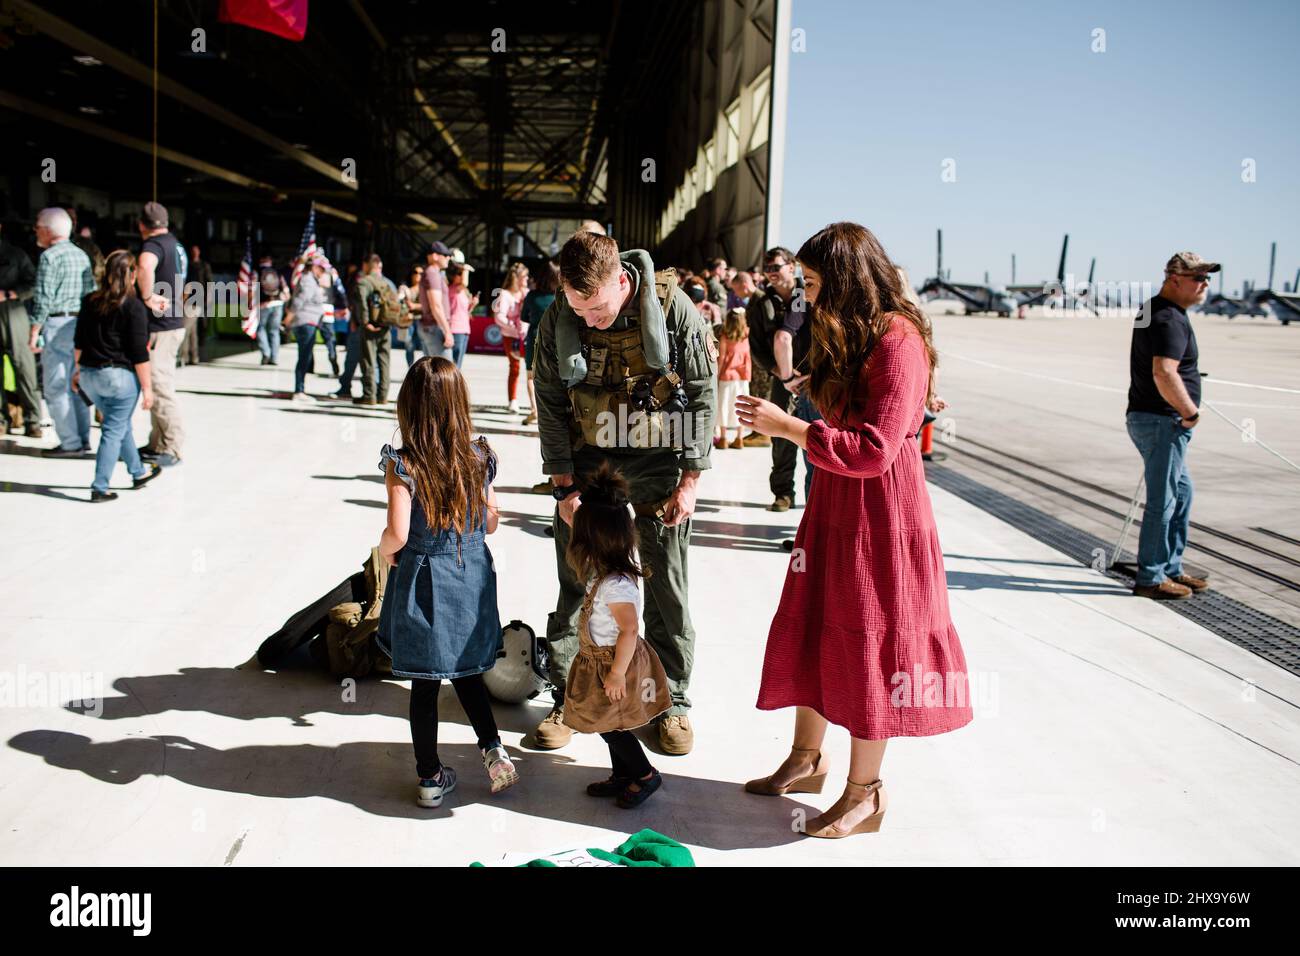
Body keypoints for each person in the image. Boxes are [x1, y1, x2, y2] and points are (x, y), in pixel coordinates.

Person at [737, 221, 974, 838]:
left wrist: (788, 428)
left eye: (812, 283)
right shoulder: (853, 332)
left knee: (873, 640)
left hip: (880, 518)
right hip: (835, 503)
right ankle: (806, 760)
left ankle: (865, 793)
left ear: (844, 278)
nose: (806, 296)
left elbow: (874, 449)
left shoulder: (897, 340)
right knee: (819, 625)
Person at [532, 229, 717, 755]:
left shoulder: (674, 309)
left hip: (660, 457)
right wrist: (562, 486)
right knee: (576, 579)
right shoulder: (559, 318)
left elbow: (702, 392)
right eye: (578, 309)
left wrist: (691, 479)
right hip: (590, 458)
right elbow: (548, 396)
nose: (589, 320)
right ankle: (568, 695)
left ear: (622, 279)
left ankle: (672, 699)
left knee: (665, 584)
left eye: (597, 308)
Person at [376, 355, 519, 808]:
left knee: (424, 684)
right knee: (467, 672)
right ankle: (493, 750)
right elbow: (493, 522)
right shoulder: (479, 455)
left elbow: (398, 532)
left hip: (424, 580)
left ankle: (430, 778)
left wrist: (385, 551)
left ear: (409, 406)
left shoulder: (403, 464)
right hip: (470, 575)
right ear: (459, 404)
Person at [561, 462, 672, 808]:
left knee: (613, 725)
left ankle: (644, 774)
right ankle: (623, 774)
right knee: (608, 722)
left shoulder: (617, 585)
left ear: (595, 541)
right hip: (602, 661)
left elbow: (629, 629)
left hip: (614, 664)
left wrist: (617, 673)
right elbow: (588, 520)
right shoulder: (607, 567)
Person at [1125, 251, 1217, 601]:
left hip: (1152, 418)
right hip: (1163, 420)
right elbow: (1164, 371)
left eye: (1207, 278)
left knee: (1181, 493)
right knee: (1163, 500)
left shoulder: (1154, 309)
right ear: (1174, 279)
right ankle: (1150, 577)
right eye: (1198, 278)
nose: (1204, 284)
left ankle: (1170, 567)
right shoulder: (1168, 318)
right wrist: (1189, 411)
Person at [71, 250, 162, 501]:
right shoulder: (134, 307)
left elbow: (79, 341)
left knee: (118, 425)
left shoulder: (90, 301)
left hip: (90, 376)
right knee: (113, 429)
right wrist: (148, 388)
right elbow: (138, 354)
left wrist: (76, 371)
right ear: (133, 275)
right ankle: (100, 487)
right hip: (119, 378)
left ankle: (138, 471)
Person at [744, 246, 810, 507]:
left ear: (791, 266)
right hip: (782, 379)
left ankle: (817, 500)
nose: (771, 273)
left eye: (776, 267)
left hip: (813, 377)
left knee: (816, 435)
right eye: (767, 268)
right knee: (781, 436)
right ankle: (783, 493)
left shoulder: (808, 293)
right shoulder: (760, 303)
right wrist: (782, 374)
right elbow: (757, 345)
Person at [28, 207, 95, 457]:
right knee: (76, 384)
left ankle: (70, 443)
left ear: (47, 230)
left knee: (56, 387)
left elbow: (43, 297)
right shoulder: (81, 255)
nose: (36, 231)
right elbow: (91, 292)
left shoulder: (49, 257)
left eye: (37, 227)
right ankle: (83, 438)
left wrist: (35, 329)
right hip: (79, 324)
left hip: (57, 326)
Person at [135, 202, 189, 467]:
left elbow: (145, 266)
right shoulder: (175, 244)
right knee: (158, 385)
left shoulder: (153, 245)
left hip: (162, 325)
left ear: (141, 225)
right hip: (173, 321)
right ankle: (157, 442)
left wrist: (146, 296)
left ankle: (172, 447)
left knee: (159, 386)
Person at [0, 221, 41, 437]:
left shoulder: (15, 255)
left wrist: (10, 294)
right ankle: (1, 420)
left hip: (12, 312)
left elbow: (34, 283)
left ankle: (32, 420)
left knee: (24, 367)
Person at [350, 253, 396, 406]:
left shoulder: (364, 282)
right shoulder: (386, 283)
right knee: (384, 361)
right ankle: (383, 395)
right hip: (386, 326)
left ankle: (369, 395)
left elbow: (361, 302)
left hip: (371, 328)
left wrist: (364, 321)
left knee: (368, 361)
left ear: (366, 265)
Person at [521, 259, 559, 426]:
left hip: (534, 338)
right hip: (555, 341)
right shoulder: (560, 297)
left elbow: (524, 317)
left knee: (531, 376)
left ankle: (534, 410)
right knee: (552, 377)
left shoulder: (531, 296)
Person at [287, 255, 330, 402]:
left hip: (310, 322)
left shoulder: (312, 280)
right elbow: (299, 300)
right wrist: (288, 318)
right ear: (314, 267)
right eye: (322, 269)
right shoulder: (308, 280)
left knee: (306, 357)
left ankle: (300, 389)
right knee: (304, 357)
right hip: (305, 323)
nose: (323, 272)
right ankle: (298, 391)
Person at [493, 261, 530, 412]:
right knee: (514, 368)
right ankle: (513, 400)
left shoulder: (527, 292)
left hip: (526, 336)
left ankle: (533, 402)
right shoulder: (505, 294)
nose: (527, 279)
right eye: (525, 276)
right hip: (511, 336)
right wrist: (513, 327)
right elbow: (498, 317)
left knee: (532, 369)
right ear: (518, 277)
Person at [714, 307, 751, 449]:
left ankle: (723, 438)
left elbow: (721, 358)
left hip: (726, 376)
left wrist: (716, 375)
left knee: (724, 406)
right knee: (742, 407)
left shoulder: (724, 336)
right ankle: (739, 438)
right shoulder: (747, 335)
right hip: (743, 376)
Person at [417, 241, 453, 359]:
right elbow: (436, 305)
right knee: (445, 372)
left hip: (431, 327)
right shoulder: (432, 273)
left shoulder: (432, 273)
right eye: (445, 255)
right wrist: (447, 331)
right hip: (435, 327)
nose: (449, 258)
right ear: (435, 256)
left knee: (434, 372)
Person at [254, 253, 288, 366]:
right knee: (274, 331)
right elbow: (286, 291)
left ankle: (266, 353)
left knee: (260, 328)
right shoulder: (277, 272)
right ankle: (275, 358)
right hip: (278, 303)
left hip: (263, 304)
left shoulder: (256, 272)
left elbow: (251, 289)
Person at [183, 244, 213, 365]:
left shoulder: (204, 266)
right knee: (192, 330)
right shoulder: (188, 265)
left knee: (187, 329)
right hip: (188, 299)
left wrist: (208, 298)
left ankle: (185, 356)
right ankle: (193, 356)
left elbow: (209, 282)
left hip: (198, 300)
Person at [445, 260, 477, 369]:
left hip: (464, 329)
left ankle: (455, 383)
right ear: (453, 276)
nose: (462, 276)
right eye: (459, 273)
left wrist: (472, 304)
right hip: (455, 328)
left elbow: (466, 311)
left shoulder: (462, 291)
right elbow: (465, 283)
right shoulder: (453, 289)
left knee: (458, 362)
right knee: (454, 362)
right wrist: (466, 268)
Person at [399, 263, 424, 367]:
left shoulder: (426, 289)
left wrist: (414, 306)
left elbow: (430, 306)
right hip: (409, 321)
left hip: (422, 321)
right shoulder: (406, 288)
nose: (418, 274)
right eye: (415, 272)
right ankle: (411, 369)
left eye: (421, 273)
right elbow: (400, 302)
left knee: (425, 346)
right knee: (409, 347)